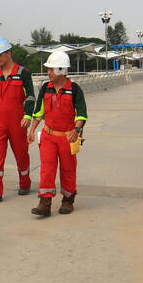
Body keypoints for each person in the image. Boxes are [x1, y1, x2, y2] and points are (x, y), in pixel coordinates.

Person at [27, 50, 87, 217]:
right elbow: (38, 112)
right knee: (46, 169)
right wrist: (32, 131)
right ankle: (44, 203)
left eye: (51, 69)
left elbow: (82, 114)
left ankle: (68, 200)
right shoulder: (46, 88)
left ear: (61, 70)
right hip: (48, 136)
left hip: (67, 138)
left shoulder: (74, 90)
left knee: (68, 170)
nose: (48, 72)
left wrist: (76, 130)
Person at [0, 37, 35, 204]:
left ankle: (25, 182)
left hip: (17, 120)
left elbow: (30, 97)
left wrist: (28, 115)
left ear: (8, 53)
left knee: (21, 154)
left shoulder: (23, 73)